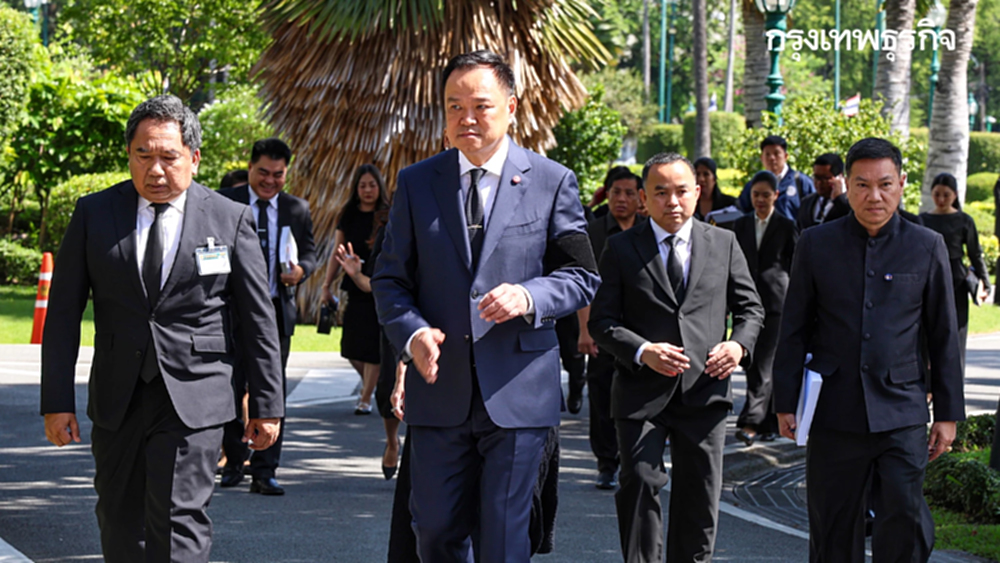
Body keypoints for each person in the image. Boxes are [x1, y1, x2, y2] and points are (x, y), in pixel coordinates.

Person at [371, 50, 599, 562]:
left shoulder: (551, 180)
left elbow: (582, 276)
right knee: (432, 530)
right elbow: (389, 278)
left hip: (518, 393)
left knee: (503, 538)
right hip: (439, 391)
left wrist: (529, 295)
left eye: (480, 105)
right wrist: (412, 334)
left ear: (512, 107)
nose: (466, 118)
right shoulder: (416, 183)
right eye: (453, 107)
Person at [40, 95, 284, 562]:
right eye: (143, 156)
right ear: (128, 155)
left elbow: (258, 319)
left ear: (193, 157)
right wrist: (56, 402)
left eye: (168, 157)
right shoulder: (95, 214)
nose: (155, 170)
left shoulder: (228, 219)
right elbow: (64, 313)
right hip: (118, 397)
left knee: (178, 524)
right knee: (118, 521)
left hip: (195, 396)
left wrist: (268, 404)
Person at [773, 138, 965, 562]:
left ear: (900, 183)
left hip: (902, 412)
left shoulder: (926, 245)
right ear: (847, 186)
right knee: (833, 528)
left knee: (905, 521)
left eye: (884, 184)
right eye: (861, 185)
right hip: (833, 413)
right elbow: (794, 329)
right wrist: (785, 401)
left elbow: (943, 336)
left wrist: (948, 415)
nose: (873, 196)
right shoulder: (815, 243)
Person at [589, 152, 764, 562]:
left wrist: (737, 345)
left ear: (697, 192)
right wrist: (643, 350)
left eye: (682, 191)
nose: (673, 202)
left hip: (705, 393)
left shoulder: (723, 243)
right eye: (661, 192)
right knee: (639, 483)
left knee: (699, 495)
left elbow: (752, 310)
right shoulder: (619, 247)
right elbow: (602, 321)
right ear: (643, 200)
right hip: (640, 394)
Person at [217, 138, 317, 495]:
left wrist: (302, 270)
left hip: (275, 311)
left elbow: (310, 252)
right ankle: (232, 461)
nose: (270, 181)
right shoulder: (227, 201)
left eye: (278, 175)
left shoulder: (297, 209)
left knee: (271, 392)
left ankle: (265, 470)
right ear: (250, 169)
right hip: (229, 313)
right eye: (263, 173)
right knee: (229, 387)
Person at [577, 166, 646, 490]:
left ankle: (636, 459)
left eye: (629, 193)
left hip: (641, 331)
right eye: (616, 192)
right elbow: (583, 285)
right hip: (603, 326)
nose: (622, 199)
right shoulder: (593, 231)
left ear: (640, 197)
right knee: (602, 396)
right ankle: (606, 462)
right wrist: (585, 330)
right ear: (606, 193)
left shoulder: (650, 230)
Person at [332, 207, 403, 479]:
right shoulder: (390, 234)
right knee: (388, 384)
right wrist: (354, 273)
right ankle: (393, 441)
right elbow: (372, 284)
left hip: (439, 318)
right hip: (398, 318)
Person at [732, 171, 797, 445]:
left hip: (775, 303)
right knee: (751, 364)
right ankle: (769, 422)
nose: (760, 199)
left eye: (766, 195)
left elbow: (796, 264)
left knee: (765, 365)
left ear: (776, 196)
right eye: (756, 194)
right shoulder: (740, 225)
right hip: (745, 303)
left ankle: (750, 423)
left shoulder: (786, 225)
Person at [321, 164, 390, 414]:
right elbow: (336, 253)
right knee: (350, 347)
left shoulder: (386, 214)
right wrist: (327, 285)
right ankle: (373, 383)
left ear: (379, 186)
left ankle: (366, 396)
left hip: (379, 285)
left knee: (373, 348)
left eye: (372, 185)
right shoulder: (348, 213)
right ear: (356, 188)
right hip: (353, 285)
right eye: (363, 185)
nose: (368, 190)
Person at [919, 172, 991, 368]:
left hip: (956, 281)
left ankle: (953, 382)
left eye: (946, 195)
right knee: (926, 332)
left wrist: (985, 283)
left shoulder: (964, 220)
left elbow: (975, 254)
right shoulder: (922, 220)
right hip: (927, 279)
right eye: (937, 194)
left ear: (955, 195)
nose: (941, 200)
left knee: (955, 332)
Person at [737, 135, 815, 222]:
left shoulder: (801, 182)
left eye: (776, 153)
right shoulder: (753, 185)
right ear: (761, 158)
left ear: (785, 156)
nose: (772, 158)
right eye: (767, 154)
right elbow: (742, 213)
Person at [797, 153, 850, 231]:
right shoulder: (806, 202)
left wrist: (838, 198)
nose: (819, 183)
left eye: (825, 178)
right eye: (816, 177)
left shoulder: (849, 203)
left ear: (839, 177)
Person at [692, 156, 737, 222]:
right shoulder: (687, 203)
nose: (701, 179)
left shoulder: (729, 204)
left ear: (714, 178)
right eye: (697, 174)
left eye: (706, 174)